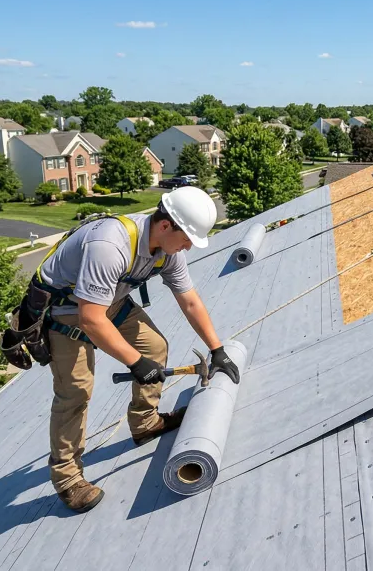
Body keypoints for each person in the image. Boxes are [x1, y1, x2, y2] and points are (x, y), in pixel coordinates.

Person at [33, 186, 239, 512]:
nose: (188, 246)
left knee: (154, 346)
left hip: (108, 301)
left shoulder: (168, 251)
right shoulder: (109, 246)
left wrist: (217, 349)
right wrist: (135, 363)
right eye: (187, 238)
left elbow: (189, 299)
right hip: (65, 311)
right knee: (75, 392)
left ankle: (145, 424)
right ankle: (68, 478)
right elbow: (90, 318)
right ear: (165, 225)